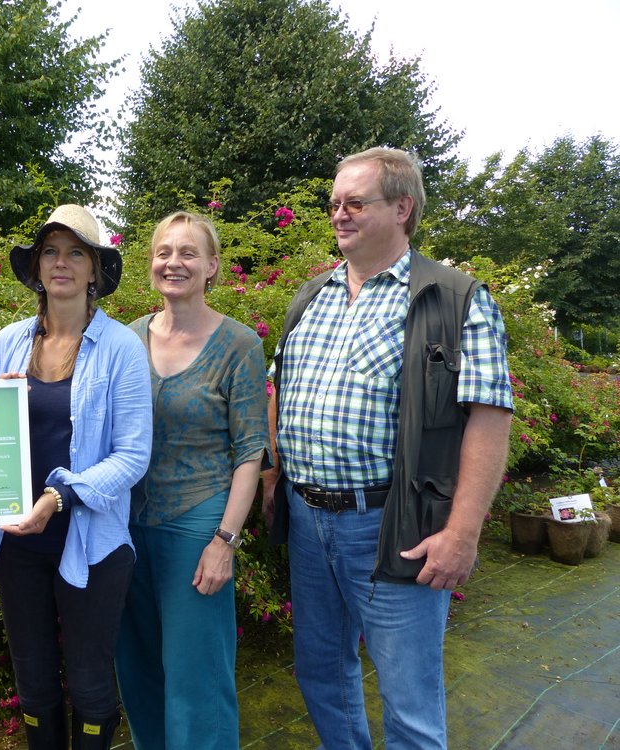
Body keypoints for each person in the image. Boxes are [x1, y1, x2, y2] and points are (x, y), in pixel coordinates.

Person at [262, 147, 514, 749]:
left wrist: (463, 533)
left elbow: (489, 417)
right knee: (323, 675)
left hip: (395, 524)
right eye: (334, 204)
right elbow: (280, 387)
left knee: (410, 703)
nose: (339, 215)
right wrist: (274, 479)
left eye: (355, 203)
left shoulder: (453, 299)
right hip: (307, 518)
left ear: (402, 207)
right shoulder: (312, 296)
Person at [0, 205, 152, 749]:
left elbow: (133, 455)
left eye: (77, 252)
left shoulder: (121, 347)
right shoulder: (8, 342)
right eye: (51, 251)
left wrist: (59, 495)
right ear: (36, 267)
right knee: (31, 678)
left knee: (90, 679)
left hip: (91, 541)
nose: (62, 263)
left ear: (96, 270)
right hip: (16, 538)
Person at [115, 211, 269, 749]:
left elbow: (251, 452)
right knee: (137, 669)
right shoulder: (125, 339)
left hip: (197, 522)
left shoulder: (240, 345)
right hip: (125, 526)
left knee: (196, 676)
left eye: (187, 253)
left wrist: (224, 541)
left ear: (212, 267)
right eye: (163, 252)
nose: (173, 262)